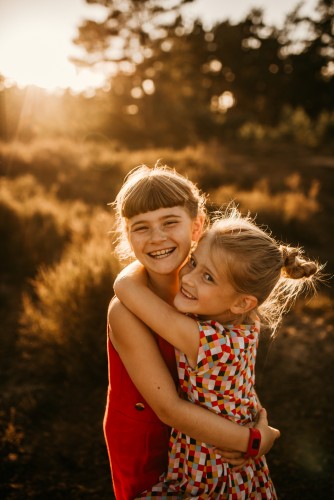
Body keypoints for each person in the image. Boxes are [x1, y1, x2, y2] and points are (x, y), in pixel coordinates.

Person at [114, 204, 321, 498]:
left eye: (208, 277)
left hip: (213, 462)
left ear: (241, 302)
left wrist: (150, 247)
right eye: (193, 262)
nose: (188, 278)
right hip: (237, 452)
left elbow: (124, 287)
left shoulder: (206, 339)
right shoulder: (244, 321)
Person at [104, 165, 279, 499]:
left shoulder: (212, 292)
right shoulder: (125, 310)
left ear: (197, 225)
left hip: (207, 439)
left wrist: (260, 422)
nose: (156, 238)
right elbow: (168, 408)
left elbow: (231, 380)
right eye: (141, 228)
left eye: (170, 222)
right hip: (148, 439)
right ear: (127, 237)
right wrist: (255, 440)